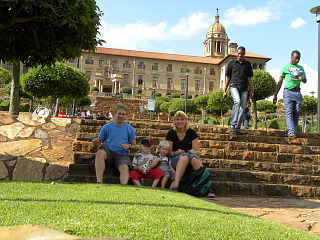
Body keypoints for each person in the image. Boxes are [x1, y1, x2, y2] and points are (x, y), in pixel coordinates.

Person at [92, 104, 137, 184]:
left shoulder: (130, 129)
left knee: (124, 167)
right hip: (108, 151)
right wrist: (95, 142)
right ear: (115, 114)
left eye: (123, 114)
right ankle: (99, 181)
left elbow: (135, 146)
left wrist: (128, 147)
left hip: (122, 154)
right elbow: (99, 141)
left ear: (126, 116)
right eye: (119, 113)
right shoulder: (107, 127)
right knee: (100, 153)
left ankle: (123, 186)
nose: (121, 116)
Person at [273, 50, 307, 138]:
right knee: (289, 111)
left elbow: (305, 81)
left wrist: (299, 75)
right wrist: (275, 95)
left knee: (296, 112)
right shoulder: (285, 68)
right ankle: (292, 132)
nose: (297, 60)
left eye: (298, 59)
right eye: (295, 58)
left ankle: (289, 131)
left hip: (298, 92)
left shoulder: (300, 68)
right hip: (288, 92)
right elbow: (280, 82)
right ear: (291, 57)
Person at [165, 111, 202, 189]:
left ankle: (206, 186)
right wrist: (176, 153)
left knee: (194, 158)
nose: (180, 121)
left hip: (190, 158)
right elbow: (168, 153)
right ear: (174, 121)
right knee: (184, 157)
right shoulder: (171, 133)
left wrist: (194, 152)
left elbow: (198, 152)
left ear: (186, 121)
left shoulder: (192, 133)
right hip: (176, 159)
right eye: (177, 119)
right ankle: (176, 186)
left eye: (182, 119)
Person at [223, 46, 254, 135]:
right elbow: (228, 77)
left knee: (242, 107)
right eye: (238, 53)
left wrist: (251, 90)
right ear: (237, 53)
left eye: (241, 54)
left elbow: (249, 78)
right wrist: (224, 90)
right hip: (234, 86)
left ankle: (237, 127)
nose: (240, 55)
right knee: (237, 101)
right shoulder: (231, 63)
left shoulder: (247, 64)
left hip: (244, 88)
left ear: (244, 54)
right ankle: (233, 123)